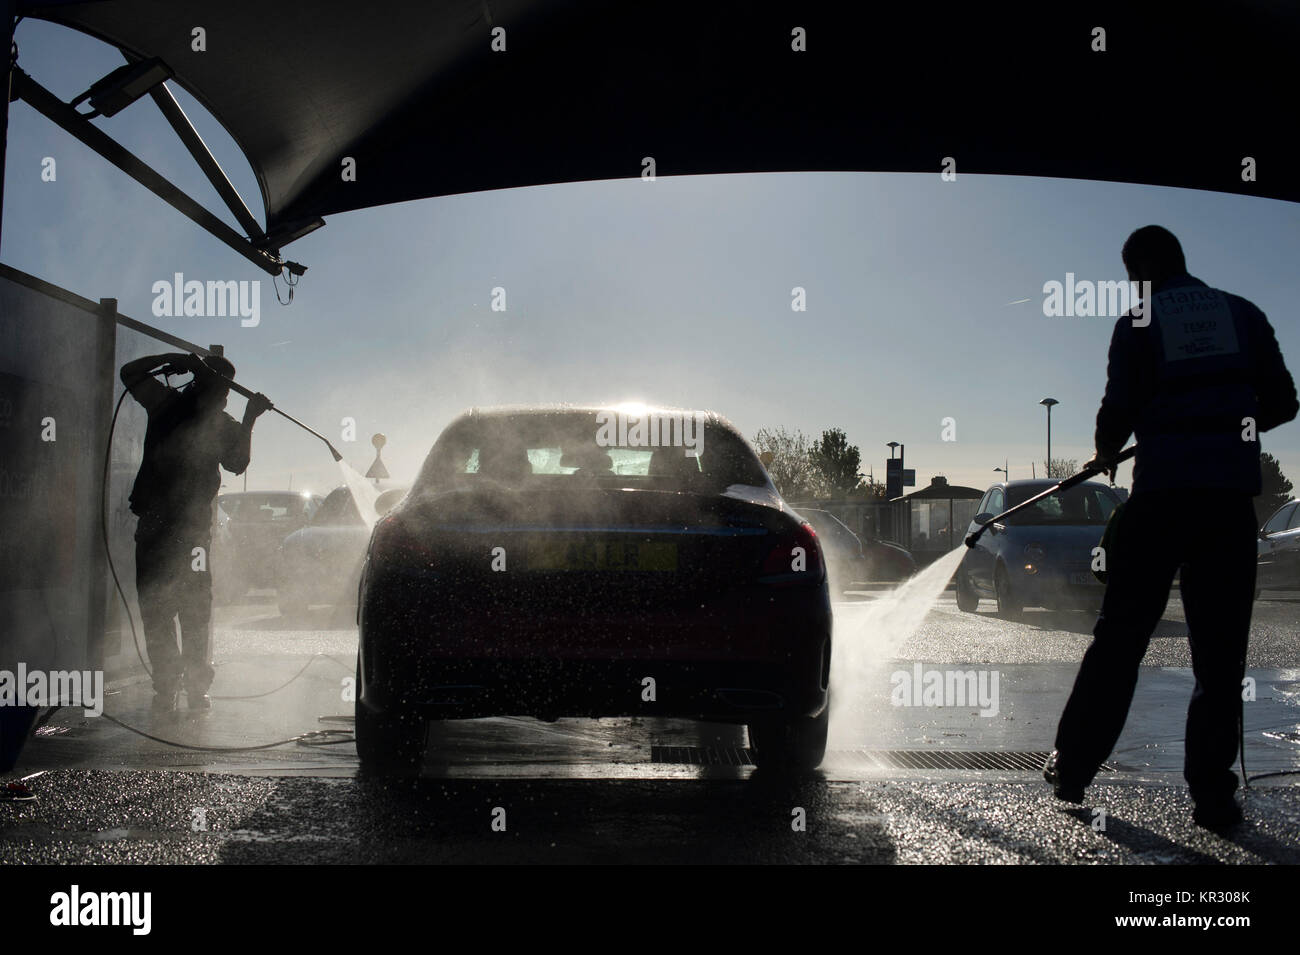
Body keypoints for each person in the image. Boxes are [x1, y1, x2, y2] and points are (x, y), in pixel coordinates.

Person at [1045, 226, 1298, 830]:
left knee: (1121, 639)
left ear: (1137, 273)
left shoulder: (1138, 321)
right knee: (1220, 657)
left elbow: (1119, 409)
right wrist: (1230, 420)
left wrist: (1109, 449)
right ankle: (1213, 798)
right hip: (1228, 508)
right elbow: (1285, 403)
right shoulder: (1243, 313)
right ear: (1184, 262)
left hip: (1160, 502)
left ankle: (1074, 769)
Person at [120, 352, 272, 713]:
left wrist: (249, 419)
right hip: (168, 530)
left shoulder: (212, 422)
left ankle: (185, 688)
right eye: (220, 390)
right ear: (203, 385)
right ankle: (172, 686)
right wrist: (175, 357)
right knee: (165, 611)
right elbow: (130, 373)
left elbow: (237, 463)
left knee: (190, 611)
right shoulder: (166, 405)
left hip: (188, 533)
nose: (223, 398)